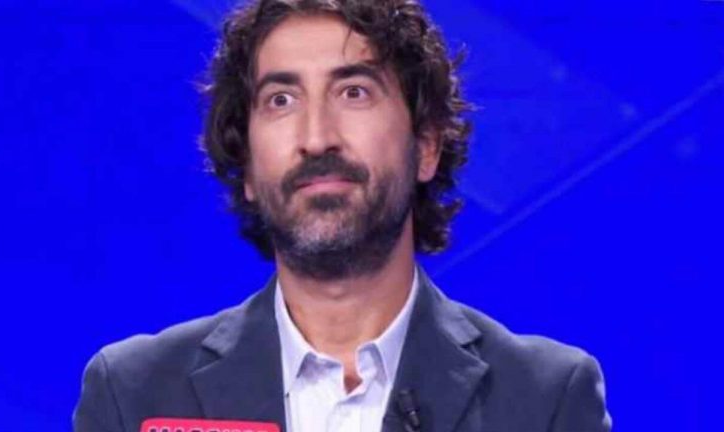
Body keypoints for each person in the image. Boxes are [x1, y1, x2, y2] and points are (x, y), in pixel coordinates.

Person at [74, 0, 611, 431]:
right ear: (248, 165)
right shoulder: (134, 393)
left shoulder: (544, 398)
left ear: (426, 145)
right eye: (281, 100)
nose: (316, 138)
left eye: (354, 92)